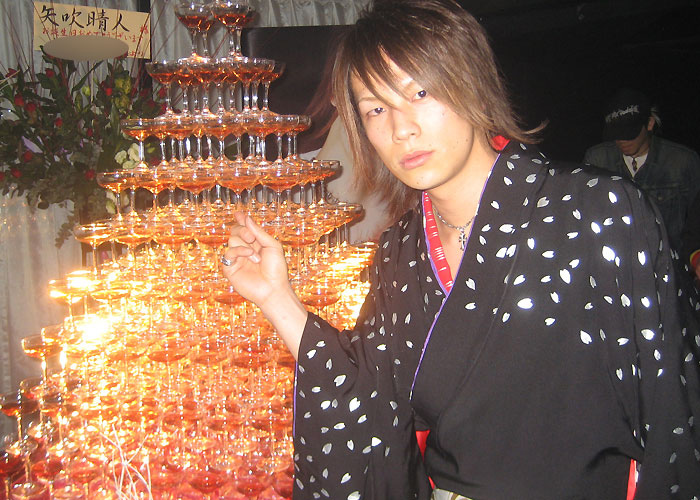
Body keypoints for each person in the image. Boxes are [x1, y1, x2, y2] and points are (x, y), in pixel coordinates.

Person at [221, 1, 700, 498]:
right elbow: (370, 395)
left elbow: (674, 404)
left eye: (420, 93)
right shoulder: (400, 252)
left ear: (471, 82)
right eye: (375, 109)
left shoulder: (598, 210)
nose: (401, 128)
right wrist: (277, 298)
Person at [583, 88, 700, 255]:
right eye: (616, 133)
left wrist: (695, 256)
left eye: (629, 133)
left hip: (668, 263)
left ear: (649, 124)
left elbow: (695, 224)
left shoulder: (683, 161)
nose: (622, 140)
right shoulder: (597, 159)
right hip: (616, 262)